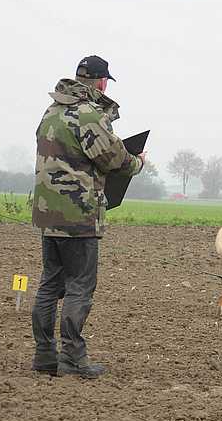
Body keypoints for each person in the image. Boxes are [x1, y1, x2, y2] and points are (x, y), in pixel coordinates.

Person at [31, 55, 145, 379]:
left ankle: (44, 355)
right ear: (101, 82)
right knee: (80, 287)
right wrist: (138, 162)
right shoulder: (88, 114)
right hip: (79, 214)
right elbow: (113, 159)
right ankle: (72, 359)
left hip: (48, 214)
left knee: (49, 285)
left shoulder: (51, 111)